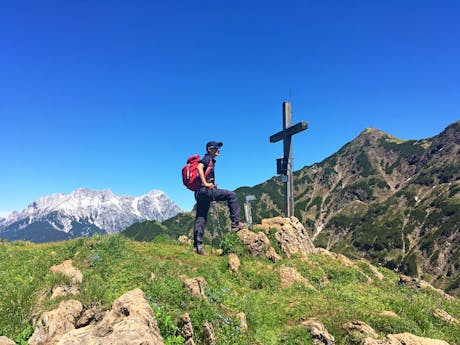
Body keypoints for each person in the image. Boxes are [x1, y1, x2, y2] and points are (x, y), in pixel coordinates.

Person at [193, 141, 248, 255]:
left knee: (201, 217)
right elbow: (199, 167)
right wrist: (206, 184)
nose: (218, 149)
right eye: (215, 147)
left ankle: (198, 246)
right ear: (209, 149)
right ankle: (236, 223)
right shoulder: (207, 158)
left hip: (199, 192)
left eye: (218, 147)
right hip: (205, 190)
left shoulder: (210, 160)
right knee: (232, 195)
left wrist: (209, 183)